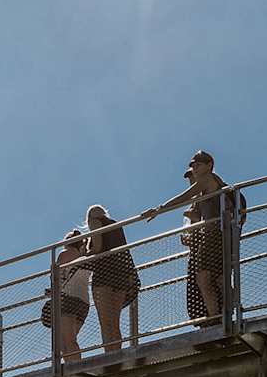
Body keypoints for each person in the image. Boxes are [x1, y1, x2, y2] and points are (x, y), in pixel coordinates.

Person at [148, 151, 247, 328]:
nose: (194, 169)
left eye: (197, 165)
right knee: (218, 277)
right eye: (192, 166)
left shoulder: (207, 179)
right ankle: (234, 308)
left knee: (202, 277)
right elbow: (196, 210)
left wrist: (158, 209)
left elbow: (182, 197)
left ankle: (216, 317)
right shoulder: (212, 185)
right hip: (222, 235)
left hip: (213, 236)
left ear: (209, 165)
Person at [81, 203, 139, 356]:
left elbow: (98, 248)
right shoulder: (115, 225)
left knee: (105, 323)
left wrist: (85, 253)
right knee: (115, 323)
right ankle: (117, 355)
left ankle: (110, 356)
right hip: (120, 274)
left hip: (104, 274)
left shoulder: (95, 222)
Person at [44, 226, 91, 369]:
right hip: (83, 302)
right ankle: (74, 367)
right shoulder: (86, 257)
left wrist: (53, 273)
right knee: (69, 340)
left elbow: (56, 278)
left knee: (66, 341)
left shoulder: (65, 254)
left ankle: (75, 368)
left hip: (68, 299)